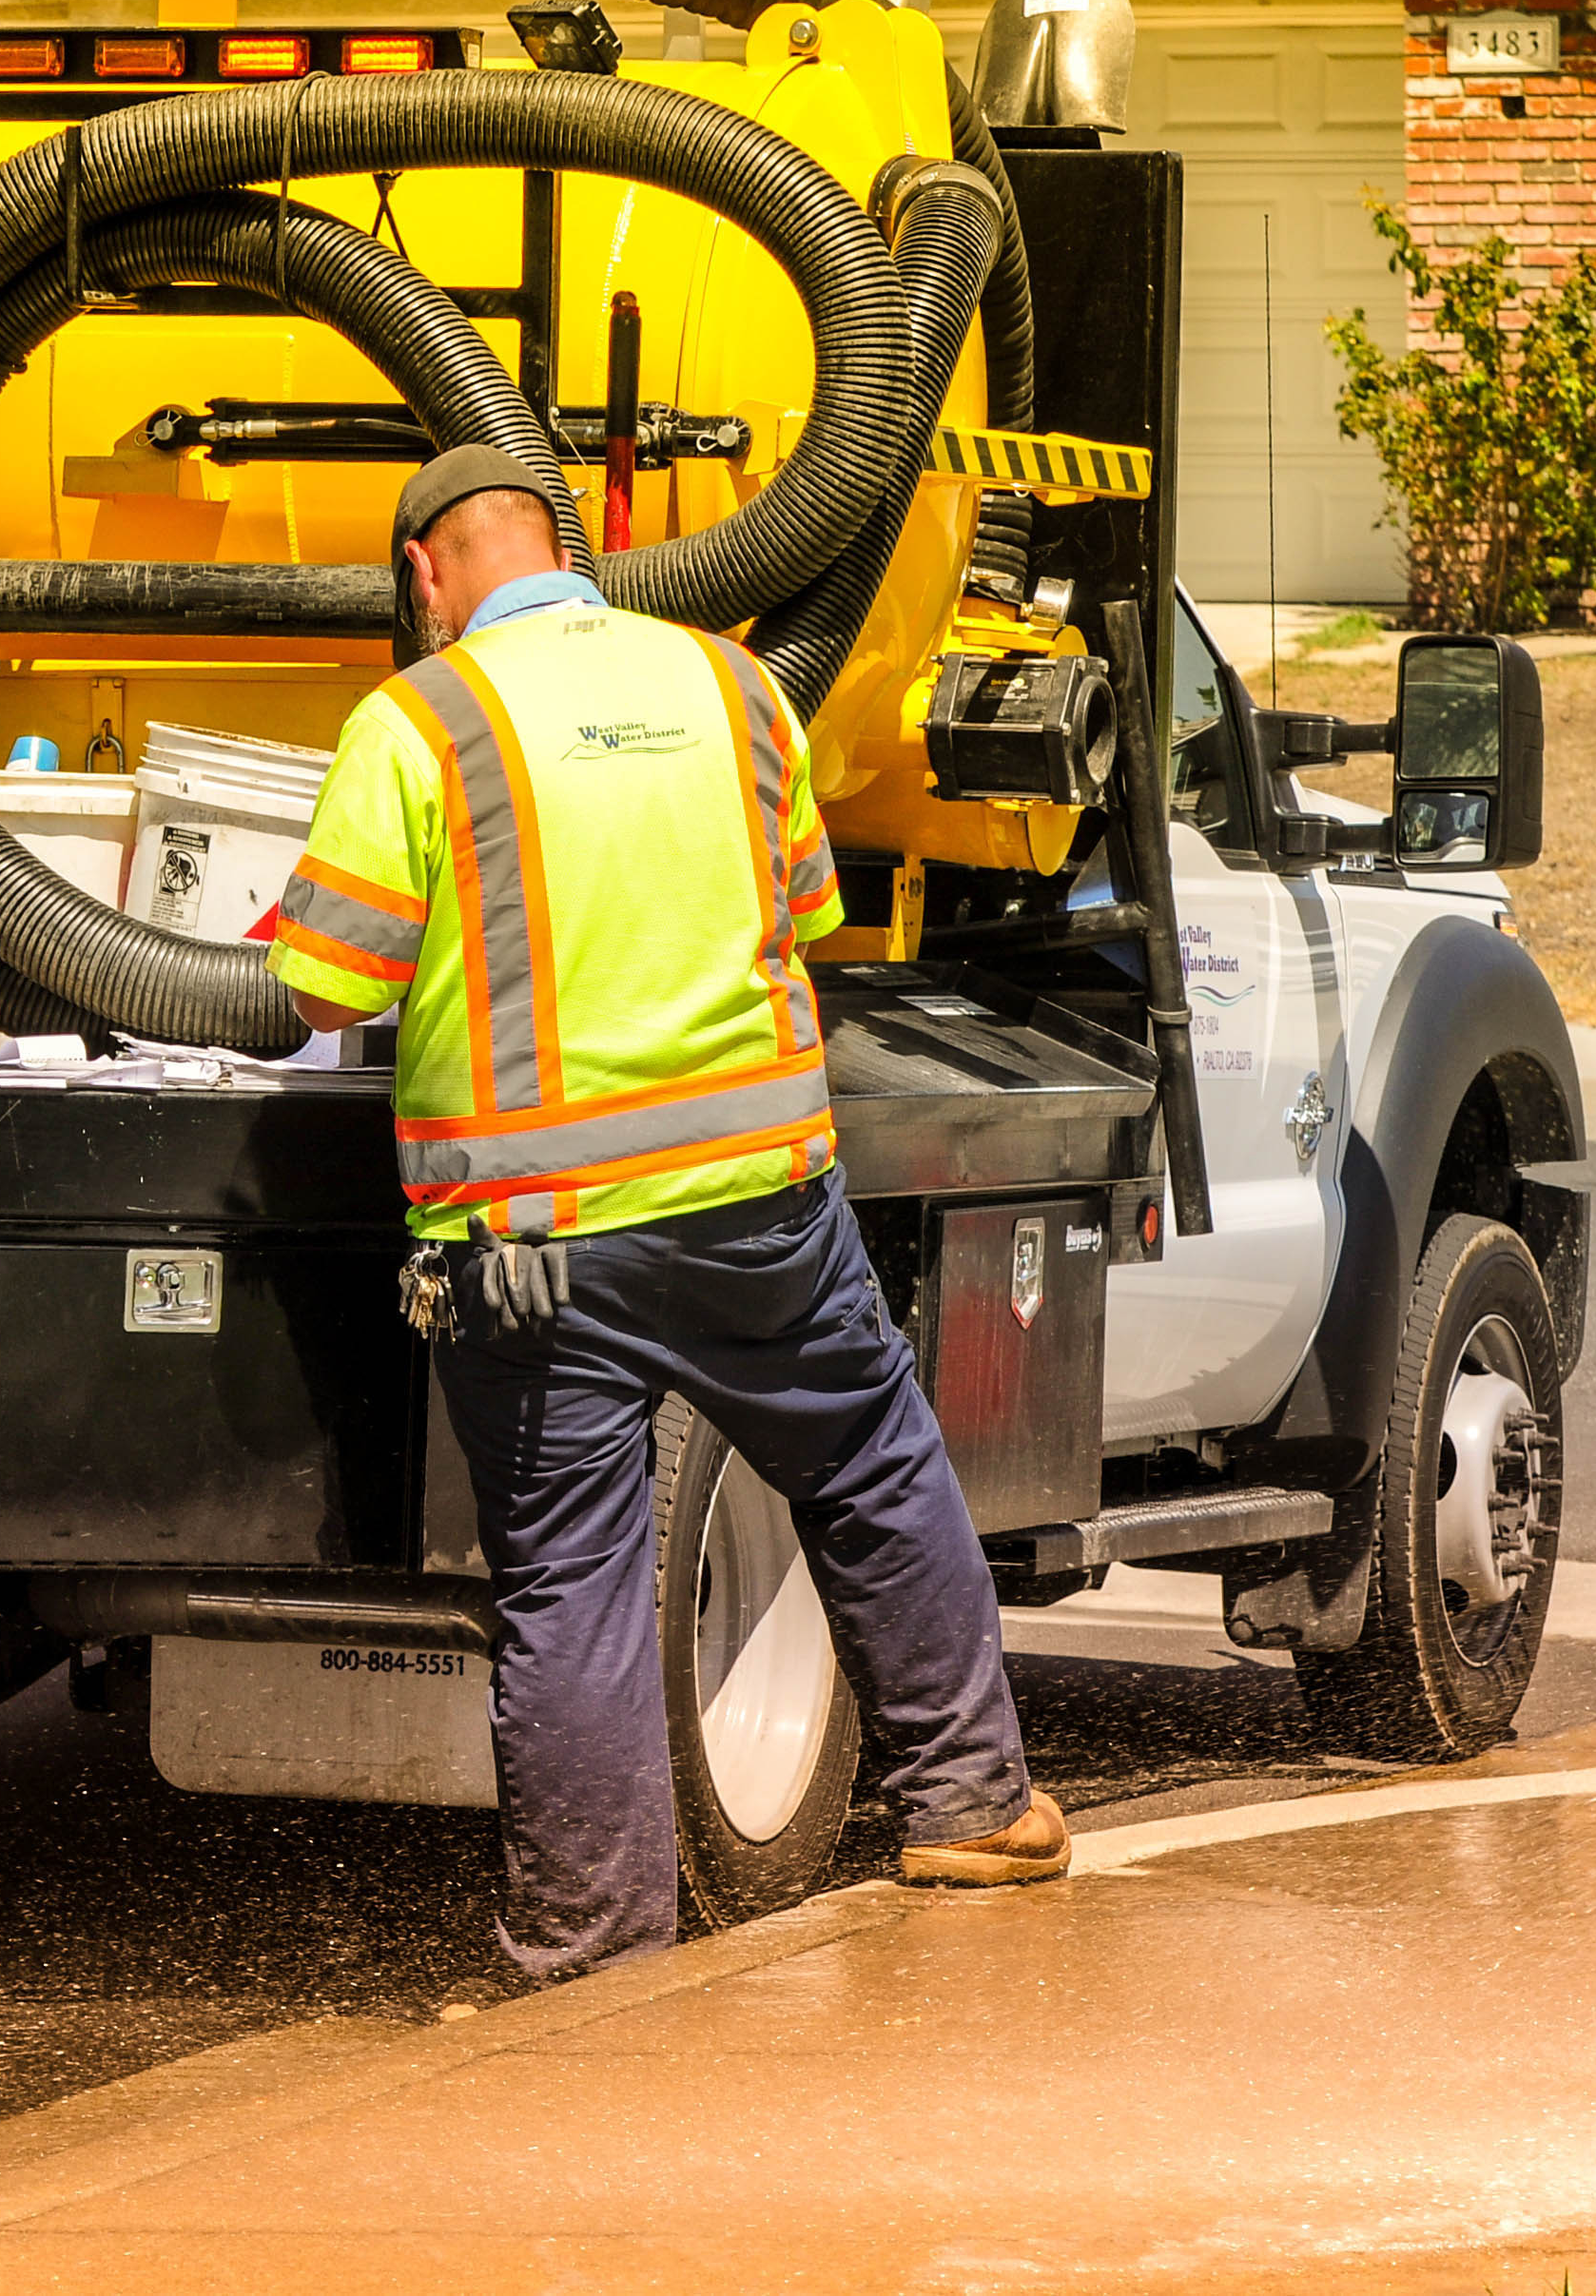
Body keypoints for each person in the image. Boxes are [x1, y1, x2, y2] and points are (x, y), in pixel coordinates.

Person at [267, 443, 1066, 2000]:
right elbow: (810, 913)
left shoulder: (419, 721)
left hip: (538, 1240)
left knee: (573, 1577)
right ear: (570, 544)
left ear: (424, 575)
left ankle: (595, 1946)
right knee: (871, 1463)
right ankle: (971, 1807)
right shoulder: (733, 683)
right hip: (760, 1200)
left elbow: (326, 985)